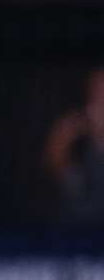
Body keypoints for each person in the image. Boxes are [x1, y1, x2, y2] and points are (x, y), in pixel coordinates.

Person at [44, 67, 104, 227]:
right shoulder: (77, 137)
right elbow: (64, 177)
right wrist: (63, 136)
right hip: (79, 232)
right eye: (98, 94)